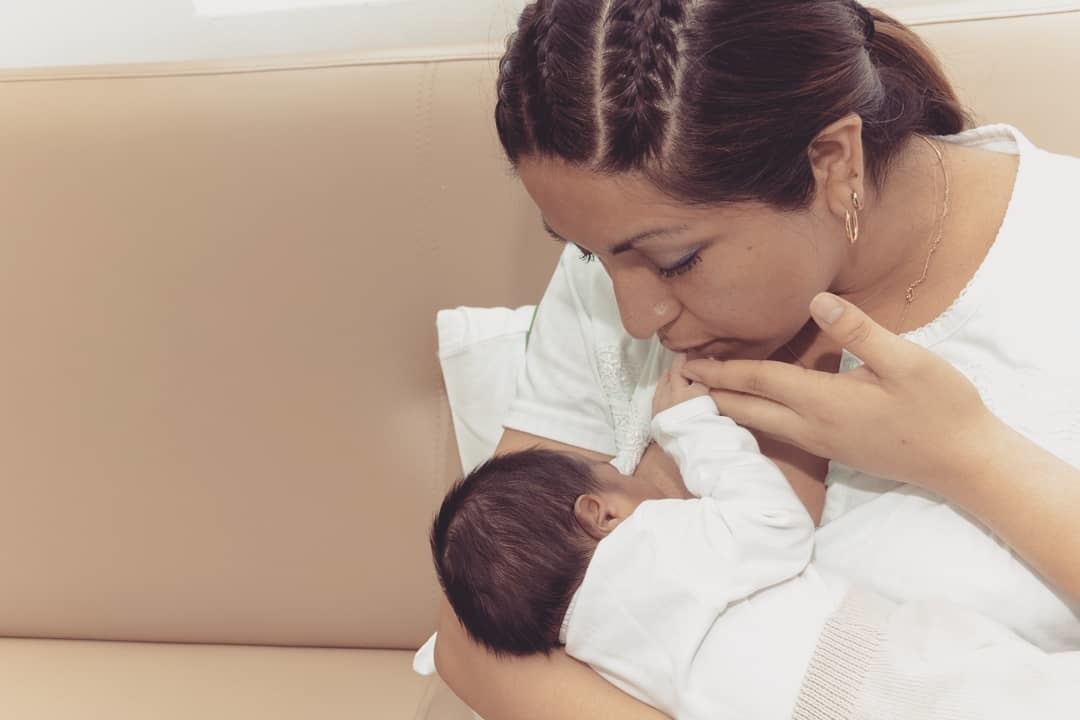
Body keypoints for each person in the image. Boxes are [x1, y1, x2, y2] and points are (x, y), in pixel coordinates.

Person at [434, 2, 1080, 719]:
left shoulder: (1054, 271)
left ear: (833, 163)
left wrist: (968, 456)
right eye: (589, 253)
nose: (636, 316)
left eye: (677, 262)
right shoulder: (626, 231)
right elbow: (475, 645)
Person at [431, 361, 1080, 720]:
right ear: (600, 514)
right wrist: (689, 427)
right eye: (622, 476)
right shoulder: (649, 540)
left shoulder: (589, 648)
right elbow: (775, 527)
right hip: (873, 677)